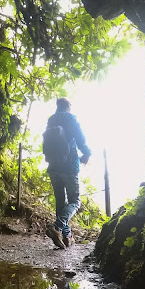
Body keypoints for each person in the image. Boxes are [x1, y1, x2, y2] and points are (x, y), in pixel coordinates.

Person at [45, 97, 91, 249]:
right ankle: (56, 227)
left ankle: (67, 237)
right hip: (69, 166)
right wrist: (87, 153)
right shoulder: (71, 118)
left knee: (60, 202)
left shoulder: (51, 120)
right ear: (69, 107)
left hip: (53, 167)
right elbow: (80, 139)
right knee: (75, 201)